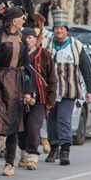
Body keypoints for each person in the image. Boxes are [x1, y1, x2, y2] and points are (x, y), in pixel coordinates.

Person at [0, 5, 33, 176]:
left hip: (16, 83)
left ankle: (9, 163)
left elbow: (26, 67)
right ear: (13, 21)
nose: (23, 21)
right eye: (21, 18)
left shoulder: (22, 38)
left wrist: (28, 89)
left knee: (14, 124)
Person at [47, 9, 91, 165]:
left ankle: (65, 150)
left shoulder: (75, 45)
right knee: (51, 120)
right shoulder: (47, 44)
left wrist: (90, 91)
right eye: (56, 28)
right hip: (51, 91)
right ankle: (54, 148)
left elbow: (86, 69)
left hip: (69, 90)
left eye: (62, 28)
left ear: (66, 30)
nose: (59, 31)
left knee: (64, 119)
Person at [17, 28, 56, 170]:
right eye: (25, 38)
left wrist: (51, 99)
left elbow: (52, 78)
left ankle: (32, 156)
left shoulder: (44, 54)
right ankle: (23, 152)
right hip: (20, 97)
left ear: (35, 39)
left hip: (39, 98)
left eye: (31, 38)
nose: (28, 40)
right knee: (21, 129)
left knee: (34, 127)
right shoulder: (17, 55)